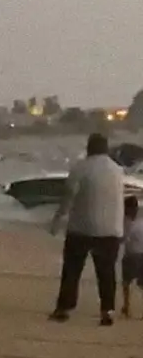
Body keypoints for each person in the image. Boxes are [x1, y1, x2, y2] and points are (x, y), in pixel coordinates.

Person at [49, 133, 124, 326]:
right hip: (111, 229)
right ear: (106, 149)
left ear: (89, 148)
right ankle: (107, 311)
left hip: (81, 227)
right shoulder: (117, 170)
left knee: (72, 270)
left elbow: (68, 196)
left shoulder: (80, 167)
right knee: (107, 272)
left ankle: (64, 308)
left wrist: (57, 220)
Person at [122, 196, 143, 318]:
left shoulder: (126, 224)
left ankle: (127, 307)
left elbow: (123, 239)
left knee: (126, 283)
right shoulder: (141, 222)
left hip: (131, 255)